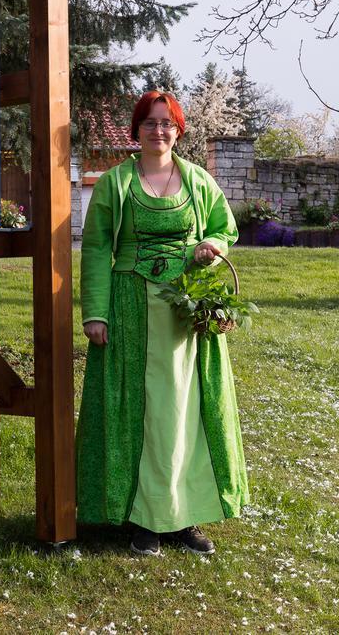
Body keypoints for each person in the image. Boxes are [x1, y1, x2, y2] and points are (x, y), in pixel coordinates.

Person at [77, 90, 248, 557]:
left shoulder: (197, 181)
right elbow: (95, 249)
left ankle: (184, 515)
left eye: (167, 123)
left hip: (186, 312)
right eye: (150, 123)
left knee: (185, 410)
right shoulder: (115, 183)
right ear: (137, 130)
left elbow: (224, 229)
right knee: (142, 408)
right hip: (130, 307)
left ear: (179, 130)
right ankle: (144, 516)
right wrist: (95, 311)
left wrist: (210, 250)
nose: (159, 131)